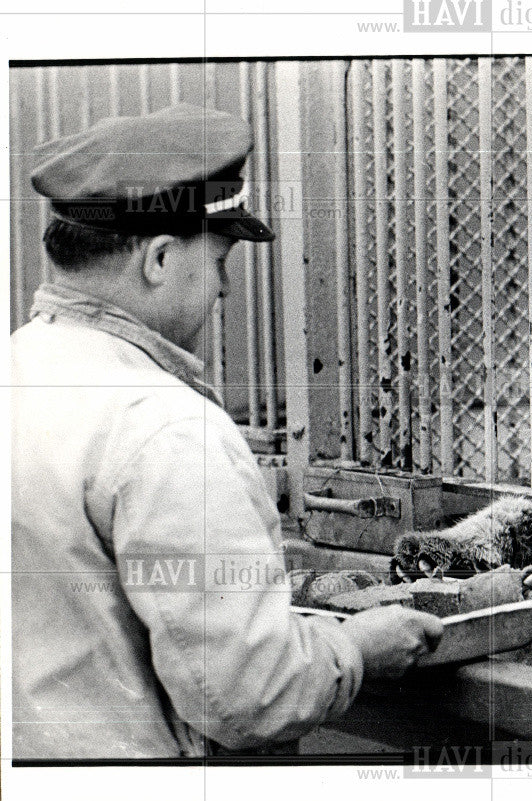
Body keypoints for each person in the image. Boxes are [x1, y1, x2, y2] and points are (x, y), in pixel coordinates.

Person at [11, 103, 443, 759]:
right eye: (218, 257)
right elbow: (247, 697)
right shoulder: (164, 425)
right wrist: (357, 647)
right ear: (158, 259)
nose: (223, 287)